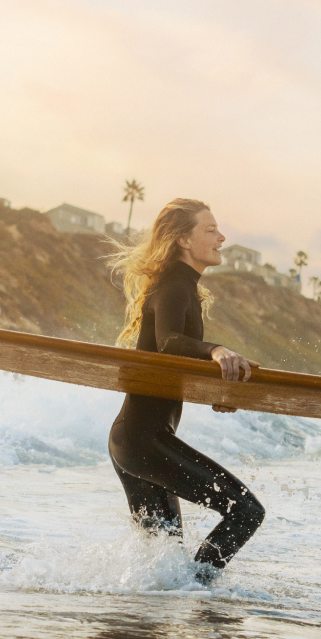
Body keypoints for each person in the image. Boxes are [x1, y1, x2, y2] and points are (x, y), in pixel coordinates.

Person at [108, 199, 267, 583]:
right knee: (246, 511)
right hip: (144, 440)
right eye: (210, 230)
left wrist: (219, 393)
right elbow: (168, 344)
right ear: (182, 239)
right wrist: (215, 349)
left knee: (163, 570)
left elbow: (170, 368)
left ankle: (161, 610)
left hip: (135, 440)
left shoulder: (181, 287)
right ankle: (199, 592)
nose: (221, 238)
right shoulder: (174, 284)